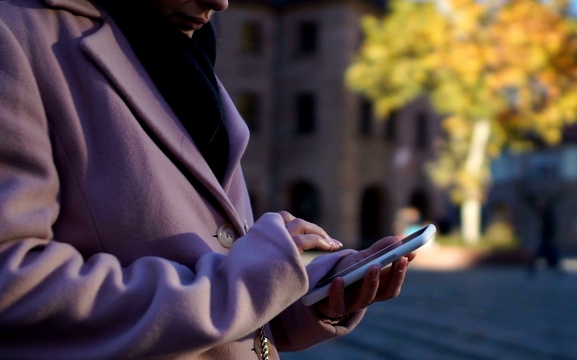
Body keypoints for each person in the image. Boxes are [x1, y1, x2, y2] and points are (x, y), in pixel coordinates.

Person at [0, 0, 415, 358]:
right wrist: (246, 285)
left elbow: (211, 275)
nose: (221, 4)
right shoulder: (15, 32)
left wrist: (308, 294)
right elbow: (14, 285)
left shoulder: (182, 47)